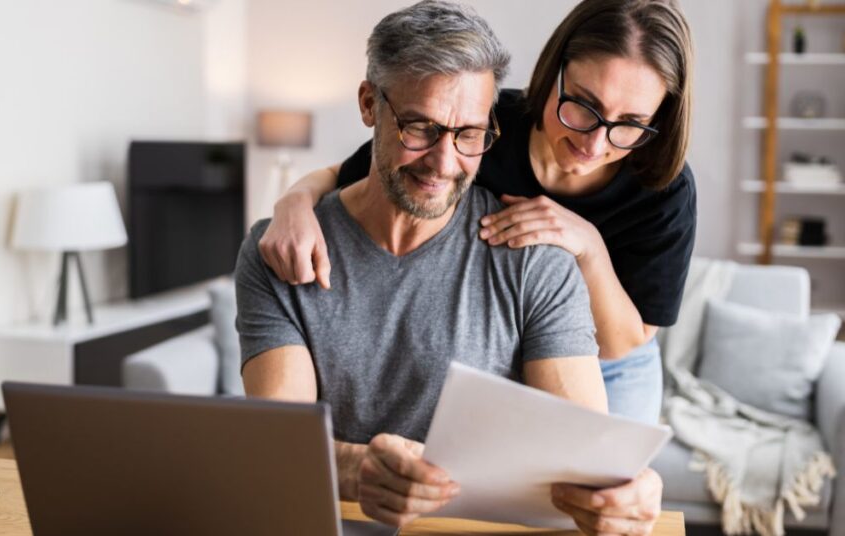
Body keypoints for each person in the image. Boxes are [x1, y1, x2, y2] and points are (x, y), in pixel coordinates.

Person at [238, 2, 661, 535]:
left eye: (469, 134)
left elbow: (585, 461)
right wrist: (355, 469)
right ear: (369, 104)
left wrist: (625, 493)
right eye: (420, 128)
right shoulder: (280, 252)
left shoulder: (537, 260)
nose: (444, 163)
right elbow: (278, 444)